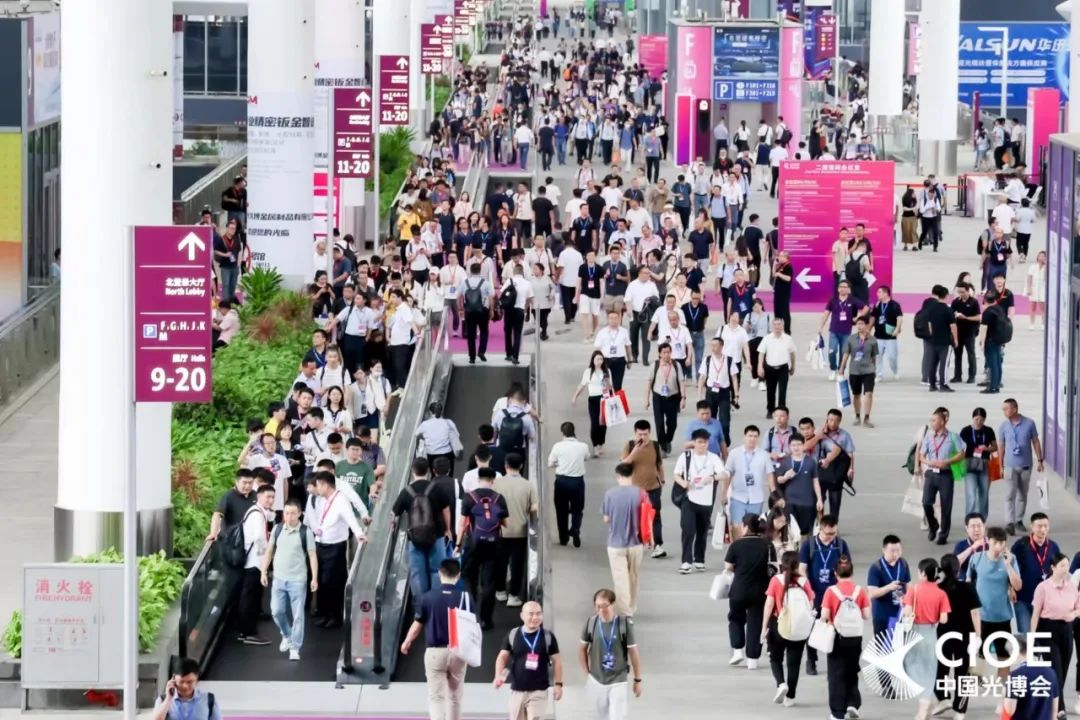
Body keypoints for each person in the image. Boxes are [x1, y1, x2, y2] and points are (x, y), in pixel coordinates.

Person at [399, 559, 470, 720]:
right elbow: (472, 626)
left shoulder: (428, 598)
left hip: (435, 652)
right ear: (458, 575)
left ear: (439, 574)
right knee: (455, 697)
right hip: (458, 652)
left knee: (436, 697)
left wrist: (407, 641)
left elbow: (417, 625)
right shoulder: (465, 598)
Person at [260, 498, 318, 661]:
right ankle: (286, 634)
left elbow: (312, 555)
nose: (289, 516)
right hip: (278, 578)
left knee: (298, 615)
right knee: (276, 611)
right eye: (286, 513)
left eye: (293, 513)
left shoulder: (305, 532)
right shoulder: (278, 529)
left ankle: (295, 647)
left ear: (299, 514)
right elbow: (269, 551)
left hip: (298, 580)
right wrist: (263, 571)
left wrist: (314, 578)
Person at [308, 472, 366, 627]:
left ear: (325, 485)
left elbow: (351, 519)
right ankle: (324, 613)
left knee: (332, 582)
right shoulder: (323, 500)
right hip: (321, 543)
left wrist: (359, 534)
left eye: (318, 485)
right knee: (322, 581)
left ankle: (335, 616)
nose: (317, 489)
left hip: (334, 547)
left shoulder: (341, 500)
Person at [968, 526, 1022, 689]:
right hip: (982, 615)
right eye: (996, 542)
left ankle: (1002, 684)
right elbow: (969, 582)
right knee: (979, 649)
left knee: (1003, 652)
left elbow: (1018, 586)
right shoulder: (977, 558)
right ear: (988, 541)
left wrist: (1008, 565)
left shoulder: (1011, 559)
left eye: (1002, 543)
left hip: (1002, 615)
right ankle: (976, 678)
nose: (999, 546)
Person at [392, 458, 453, 601]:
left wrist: (393, 525)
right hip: (436, 535)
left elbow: (394, 513)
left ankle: (421, 605)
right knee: (437, 570)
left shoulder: (406, 491)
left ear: (412, 471)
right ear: (429, 471)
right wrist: (448, 529)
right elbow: (446, 510)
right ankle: (436, 603)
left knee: (417, 573)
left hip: (415, 537)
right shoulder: (436, 488)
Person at [797, 514, 851, 675]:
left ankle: (836, 660)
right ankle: (811, 660)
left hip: (835, 594)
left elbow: (847, 569)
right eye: (828, 533)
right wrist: (808, 590)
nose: (831, 536)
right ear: (820, 529)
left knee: (837, 627)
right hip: (815, 593)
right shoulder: (809, 545)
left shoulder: (840, 545)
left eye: (834, 533)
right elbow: (801, 570)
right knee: (813, 627)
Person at [578, 588, 643, 719]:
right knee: (601, 716)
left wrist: (637, 680)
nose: (601, 610)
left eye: (604, 606)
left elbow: (633, 653)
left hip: (618, 680)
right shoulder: (591, 623)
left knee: (616, 716)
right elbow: (582, 649)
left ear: (612, 604)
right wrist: (587, 673)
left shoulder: (624, 625)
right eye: (598, 606)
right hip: (597, 680)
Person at [456, 467, 507, 630]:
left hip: (473, 543)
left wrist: (458, 544)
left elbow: (462, 524)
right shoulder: (499, 498)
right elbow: (505, 523)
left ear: (478, 479)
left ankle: (470, 615)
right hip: (494, 545)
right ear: (493, 480)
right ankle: (486, 620)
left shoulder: (469, 497)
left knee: (468, 577)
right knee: (489, 582)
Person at [760, 550, 813, 707]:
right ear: (797, 565)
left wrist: (764, 627)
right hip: (798, 626)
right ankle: (790, 697)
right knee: (794, 663)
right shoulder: (804, 581)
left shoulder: (776, 580)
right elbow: (810, 604)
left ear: (782, 564)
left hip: (779, 624)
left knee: (775, 658)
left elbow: (769, 604)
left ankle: (781, 683)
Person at [819, 556, 870, 720]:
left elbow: (824, 615)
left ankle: (837, 712)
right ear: (852, 572)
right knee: (852, 670)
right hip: (855, 638)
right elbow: (866, 615)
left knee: (836, 674)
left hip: (837, 638)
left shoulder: (831, 591)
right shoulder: (860, 591)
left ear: (835, 573)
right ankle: (852, 703)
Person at [493, 601, 563, 719]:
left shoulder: (548, 636)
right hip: (517, 690)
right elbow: (502, 657)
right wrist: (498, 675)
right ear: (522, 616)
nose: (535, 617)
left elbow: (557, 661)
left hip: (539, 691)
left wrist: (558, 684)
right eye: (531, 614)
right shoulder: (513, 634)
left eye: (538, 613)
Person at [932, 554, 981, 718]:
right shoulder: (968, 587)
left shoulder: (938, 588)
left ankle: (943, 698)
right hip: (966, 635)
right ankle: (960, 710)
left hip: (944, 634)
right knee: (963, 673)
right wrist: (978, 636)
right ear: (958, 569)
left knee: (941, 669)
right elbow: (975, 613)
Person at [1031, 553, 1080, 715]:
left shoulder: (1072, 587)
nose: (1066, 569)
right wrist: (1032, 637)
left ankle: (1051, 700)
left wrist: (1073, 615)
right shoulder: (1043, 587)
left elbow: (1078, 608)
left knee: (1063, 669)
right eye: (1062, 566)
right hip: (1047, 629)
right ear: (1053, 567)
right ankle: (1059, 708)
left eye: (1067, 565)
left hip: (1066, 629)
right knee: (1055, 668)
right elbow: (1035, 614)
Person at [724, 514, 772, 669]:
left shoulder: (737, 545)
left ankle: (737, 651)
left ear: (745, 527)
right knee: (755, 623)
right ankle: (753, 659)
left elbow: (728, 566)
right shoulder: (767, 545)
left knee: (736, 618)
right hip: (760, 590)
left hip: (739, 589)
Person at [673, 429, 724, 574]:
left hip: (706, 500)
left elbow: (724, 473)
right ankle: (686, 561)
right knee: (688, 529)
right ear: (694, 442)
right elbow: (676, 474)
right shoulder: (685, 456)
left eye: (705, 442)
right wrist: (683, 483)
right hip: (689, 498)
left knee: (702, 531)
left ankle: (699, 559)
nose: (702, 445)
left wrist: (713, 478)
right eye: (700, 442)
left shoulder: (713, 458)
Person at [918, 409, 966, 545]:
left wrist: (946, 462)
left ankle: (943, 535)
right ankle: (933, 524)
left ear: (942, 422)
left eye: (934, 420)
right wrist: (928, 462)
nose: (931, 422)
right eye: (931, 420)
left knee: (946, 505)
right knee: (926, 502)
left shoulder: (953, 437)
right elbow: (921, 455)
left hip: (946, 475)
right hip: (931, 473)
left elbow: (961, 453)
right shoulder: (929, 437)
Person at [237, 484, 275, 645]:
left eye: (273, 497)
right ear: (259, 496)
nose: (271, 500)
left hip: (252, 561)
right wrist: (267, 553)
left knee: (250, 596)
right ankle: (248, 632)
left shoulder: (257, 511)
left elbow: (271, 517)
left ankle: (246, 631)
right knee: (250, 597)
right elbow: (259, 538)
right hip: (254, 562)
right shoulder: (257, 514)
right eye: (268, 497)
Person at [999, 398, 1045, 535]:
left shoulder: (1029, 423)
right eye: (1003, 409)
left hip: (1025, 465)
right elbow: (1001, 446)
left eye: (1006, 409)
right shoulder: (1003, 426)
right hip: (1009, 466)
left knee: (1022, 494)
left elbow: (1035, 441)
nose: (1004, 411)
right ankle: (1009, 522)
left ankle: (1018, 520)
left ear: (1014, 409)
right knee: (1010, 494)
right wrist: (1000, 465)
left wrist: (1040, 460)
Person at [721, 425, 774, 540]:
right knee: (736, 527)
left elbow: (770, 474)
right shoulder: (734, 453)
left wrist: (773, 493)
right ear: (744, 437)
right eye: (750, 436)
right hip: (738, 497)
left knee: (753, 529)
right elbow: (728, 474)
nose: (752, 439)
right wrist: (724, 493)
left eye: (755, 436)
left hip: (756, 498)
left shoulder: (764, 455)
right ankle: (736, 547)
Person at [622, 421, 665, 559]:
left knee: (655, 515)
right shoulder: (629, 446)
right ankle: (637, 541)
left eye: (645, 434)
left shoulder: (655, 445)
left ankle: (657, 545)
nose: (643, 437)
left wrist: (662, 480)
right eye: (640, 434)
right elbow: (624, 464)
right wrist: (635, 451)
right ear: (635, 433)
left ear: (649, 433)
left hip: (653, 487)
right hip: (635, 489)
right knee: (635, 516)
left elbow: (659, 464)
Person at [1012, 512, 1060, 635]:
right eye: (1039, 526)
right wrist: (1010, 588)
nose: (1043, 529)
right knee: (1026, 634)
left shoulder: (1053, 547)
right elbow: (1010, 568)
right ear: (1032, 527)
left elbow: (1059, 571)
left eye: (1045, 526)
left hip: (1045, 600)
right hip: (1023, 598)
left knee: (1042, 635)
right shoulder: (1020, 546)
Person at [548, 422, 591, 548]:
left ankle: (563, 538)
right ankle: (575, 529)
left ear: (562, 433)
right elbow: (586, 457)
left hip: (561, 481)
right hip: (577, 482)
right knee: (577, 509)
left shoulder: (557, 446)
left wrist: (560, 464)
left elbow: (550, 463)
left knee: (561, 510)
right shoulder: (583, 446)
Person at [774, 434, 822, 540]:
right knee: (792, 529)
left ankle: (803, 548)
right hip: (790, 501)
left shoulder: (810, 462)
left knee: (805, 530)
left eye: (799, 444)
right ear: (789, 446)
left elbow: (815, 481)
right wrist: (786, 477)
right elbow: (778, 480)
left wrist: (819, 499)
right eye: (793, 445)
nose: (796, 448)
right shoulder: (785, 462)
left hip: (807, 502)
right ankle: (794, 549)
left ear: (803, 445)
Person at [1003, 633, 1060, 720]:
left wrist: (1004, 694)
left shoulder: (1015, 676)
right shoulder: (1050, 672)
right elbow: (1054, 710)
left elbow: (1010, 710)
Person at [818, 280, 867, 380]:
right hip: (834, 331)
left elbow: (866, 307)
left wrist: (858, 318)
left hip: (846, 332)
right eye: (840, 287)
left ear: (848, 289)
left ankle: (841, 372)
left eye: (844, 287)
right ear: (838, 289)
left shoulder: (852, 300)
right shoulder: (833, 300)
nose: (842, 289)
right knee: (832, 351)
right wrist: (821, 327)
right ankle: (833, 369)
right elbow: (826, 314)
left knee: (843, 353)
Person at [866, 535, 910, 641]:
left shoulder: (903, 564)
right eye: (892, 551)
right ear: (884, 550)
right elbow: (871, 593)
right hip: (882, 616)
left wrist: (908, 602)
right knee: (882, 647)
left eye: (898, 550)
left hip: (900, 614)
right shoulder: (876, 568)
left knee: (899, 646)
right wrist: (889, 587)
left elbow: (908, 586)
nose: (896, 554)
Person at [644, 342, 685, 456]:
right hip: (658, 397)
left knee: (673, 424)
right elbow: (649, 383)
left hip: (673, 397)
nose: (667, 355)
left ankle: (668, 440)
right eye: (664, 352)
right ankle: (662, 446)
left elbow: (681, 382)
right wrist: (646, 399)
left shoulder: (676, 365)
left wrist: (683, 398)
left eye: (668, 352)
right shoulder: (655, 366)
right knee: (659, 423)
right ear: (659, 354)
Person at [814, 410, 856, 518]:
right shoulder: (819, 433)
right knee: (819, 501)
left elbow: (850, 454)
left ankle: (833, 524)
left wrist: (851, 469)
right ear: (826, 419)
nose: (833, 423)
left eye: (836, 421)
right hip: (821, 470)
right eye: (830, 420)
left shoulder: (845, 435)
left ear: (840, 421)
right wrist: (819, 434)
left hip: (837, 471)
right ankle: (820, 523)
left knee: (835, 502)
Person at [838, 316, 879, 427]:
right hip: (855, 371)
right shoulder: (851, 339)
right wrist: (842, 367)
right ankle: (857, 416)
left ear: (866, 325)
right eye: (858, 324)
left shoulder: (872, 340)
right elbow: (846, 354)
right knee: (856, 394)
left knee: (869, 394)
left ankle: (867, 417)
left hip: (868, 370)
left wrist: (874, 369)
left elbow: (874, 356)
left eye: (862, 324)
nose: (859, 326)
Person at [153, 657, 222, 720]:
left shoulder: (209, 699)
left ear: (196, 679)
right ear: (173, 678)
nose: (185, 686)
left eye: (190, 682)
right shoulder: (163, 700)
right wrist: (168, 699)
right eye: (181, 682)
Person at [573, 351, 613, 455]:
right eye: (597, 359)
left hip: (604, 398)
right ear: (593, 360)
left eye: (601, 359)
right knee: (595, 423)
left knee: (603, 424)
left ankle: (601, 443)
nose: (599, 361)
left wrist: (607, 382)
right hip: (593, 399)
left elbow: (610, 387)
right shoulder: (588, 371)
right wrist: (575, 397)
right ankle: (595, 445)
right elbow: (582, 385)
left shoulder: (607, 371)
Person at [959, 408, 997, 520]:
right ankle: (969, 519)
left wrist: (987, 448)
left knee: (984, 493)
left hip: (984, 464)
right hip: (970, 463)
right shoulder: (966, 430)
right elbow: (959, 447)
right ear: (973, 418)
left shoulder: (988, 430)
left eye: (981, 420)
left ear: (984, 420)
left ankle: (982, 519)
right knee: (971, 493)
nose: (979, 422)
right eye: (976, 419)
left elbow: (995, 447)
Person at [756, 316, 796, 419]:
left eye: (779, 324)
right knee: (770, 391)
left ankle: (782, 412)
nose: (777, 327)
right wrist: (760, 366)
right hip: (770, 368)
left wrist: (793, 366)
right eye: (775, 324)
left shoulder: (788, 339)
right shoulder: (767, 338)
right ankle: (770, 410)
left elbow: (792, 353)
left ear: (783, 326)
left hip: (783, 368)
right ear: (772, 326)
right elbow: (761, 353)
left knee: (782, 392)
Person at [460, 262, 494, 364]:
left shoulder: (465, 282)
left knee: (471, 333)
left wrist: (460, 309)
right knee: (484, 331)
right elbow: (491, 297)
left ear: (470, 271)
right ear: (480, 270)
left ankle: (472, 357)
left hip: (469, 311)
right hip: (482, 310)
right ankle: (481, 351)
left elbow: (459, 297)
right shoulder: (486, 283)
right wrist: (491, 310)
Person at [417, 401, 462, 478]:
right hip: (447, 455)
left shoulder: (425, 424)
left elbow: (418, 436)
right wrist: (457, 453)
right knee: (449, 477)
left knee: (434, 476)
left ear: (430, 412)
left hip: (432, 455)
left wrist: (421, 452)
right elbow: (455, 438)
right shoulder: (448, 423)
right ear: (441, 411)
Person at [950, 283, 981, 385]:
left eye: (963, 292)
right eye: (959, 292)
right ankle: (957, 375)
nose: (961, 294)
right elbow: (951, 315)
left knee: (971, 354)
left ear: (968, 291)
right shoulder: (955, 302)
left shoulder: (974, 302)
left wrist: (966, 318)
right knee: (957, 354)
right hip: (958, 332)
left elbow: (978, 317)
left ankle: (971, 376)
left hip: (970, 332)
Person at [594, 310, 632, 391]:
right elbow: (597, 348)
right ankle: (608, 398)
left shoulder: (624, 331)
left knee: (618, 385)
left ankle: (617, 399)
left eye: (615, 318)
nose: (613, 320)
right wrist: (596, 362)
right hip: (605, 360)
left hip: (620, 360)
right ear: (608, 319)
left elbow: (628, 346)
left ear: (619, 319)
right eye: (611, 318)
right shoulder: (602, 332)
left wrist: (630, 360)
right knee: (605, 385)